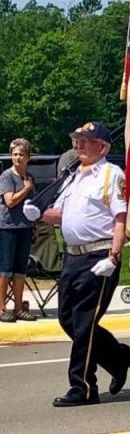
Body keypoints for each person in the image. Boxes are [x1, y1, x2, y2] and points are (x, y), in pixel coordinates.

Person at [24, 122, 130, 406]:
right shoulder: (73, 176)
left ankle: (83, 386)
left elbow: (120, 217)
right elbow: (66, 216)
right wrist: (38, 213)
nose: (79, 145)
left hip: (98, 255)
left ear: (103, 146)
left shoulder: (111, 175)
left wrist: (114, 255)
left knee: (84, 321)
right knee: (68, 319)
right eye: (77, 140)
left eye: (86, 140)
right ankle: (117, 357)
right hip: (73, 255)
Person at [0, 138, 38, 322]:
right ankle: (1, 308)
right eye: (14, 154)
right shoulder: (7, 176)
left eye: (21, 154)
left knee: (20, 269)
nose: (17, 158)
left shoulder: (30, 177)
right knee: (5, 269)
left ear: (28, 157)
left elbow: (33, 205)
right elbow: (10, 201)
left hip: (26, 227)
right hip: (8, 227)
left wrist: (36, 224)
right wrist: (26, 189)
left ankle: (18, 307)